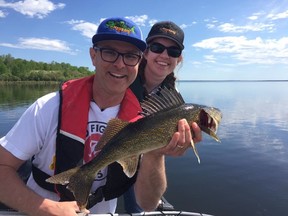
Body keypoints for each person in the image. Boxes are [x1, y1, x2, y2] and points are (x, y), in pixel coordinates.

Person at [0, 17, 201, 216]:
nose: (120, 64)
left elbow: (147, 204)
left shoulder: (141, 120)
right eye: (109, 52)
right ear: (93, 56)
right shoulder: (47, 108)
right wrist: (46, 208)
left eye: (130, 56)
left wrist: (156, 153)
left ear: (139, 62)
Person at [124, 21, 202, 213]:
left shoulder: (172, 94)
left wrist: (163, 147)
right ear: (146, 52)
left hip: (141, 154)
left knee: (143, 206)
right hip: (111, 146)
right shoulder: (123, 78)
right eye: (157, 48)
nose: (165, 55)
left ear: (179, 59)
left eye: (173, 52)